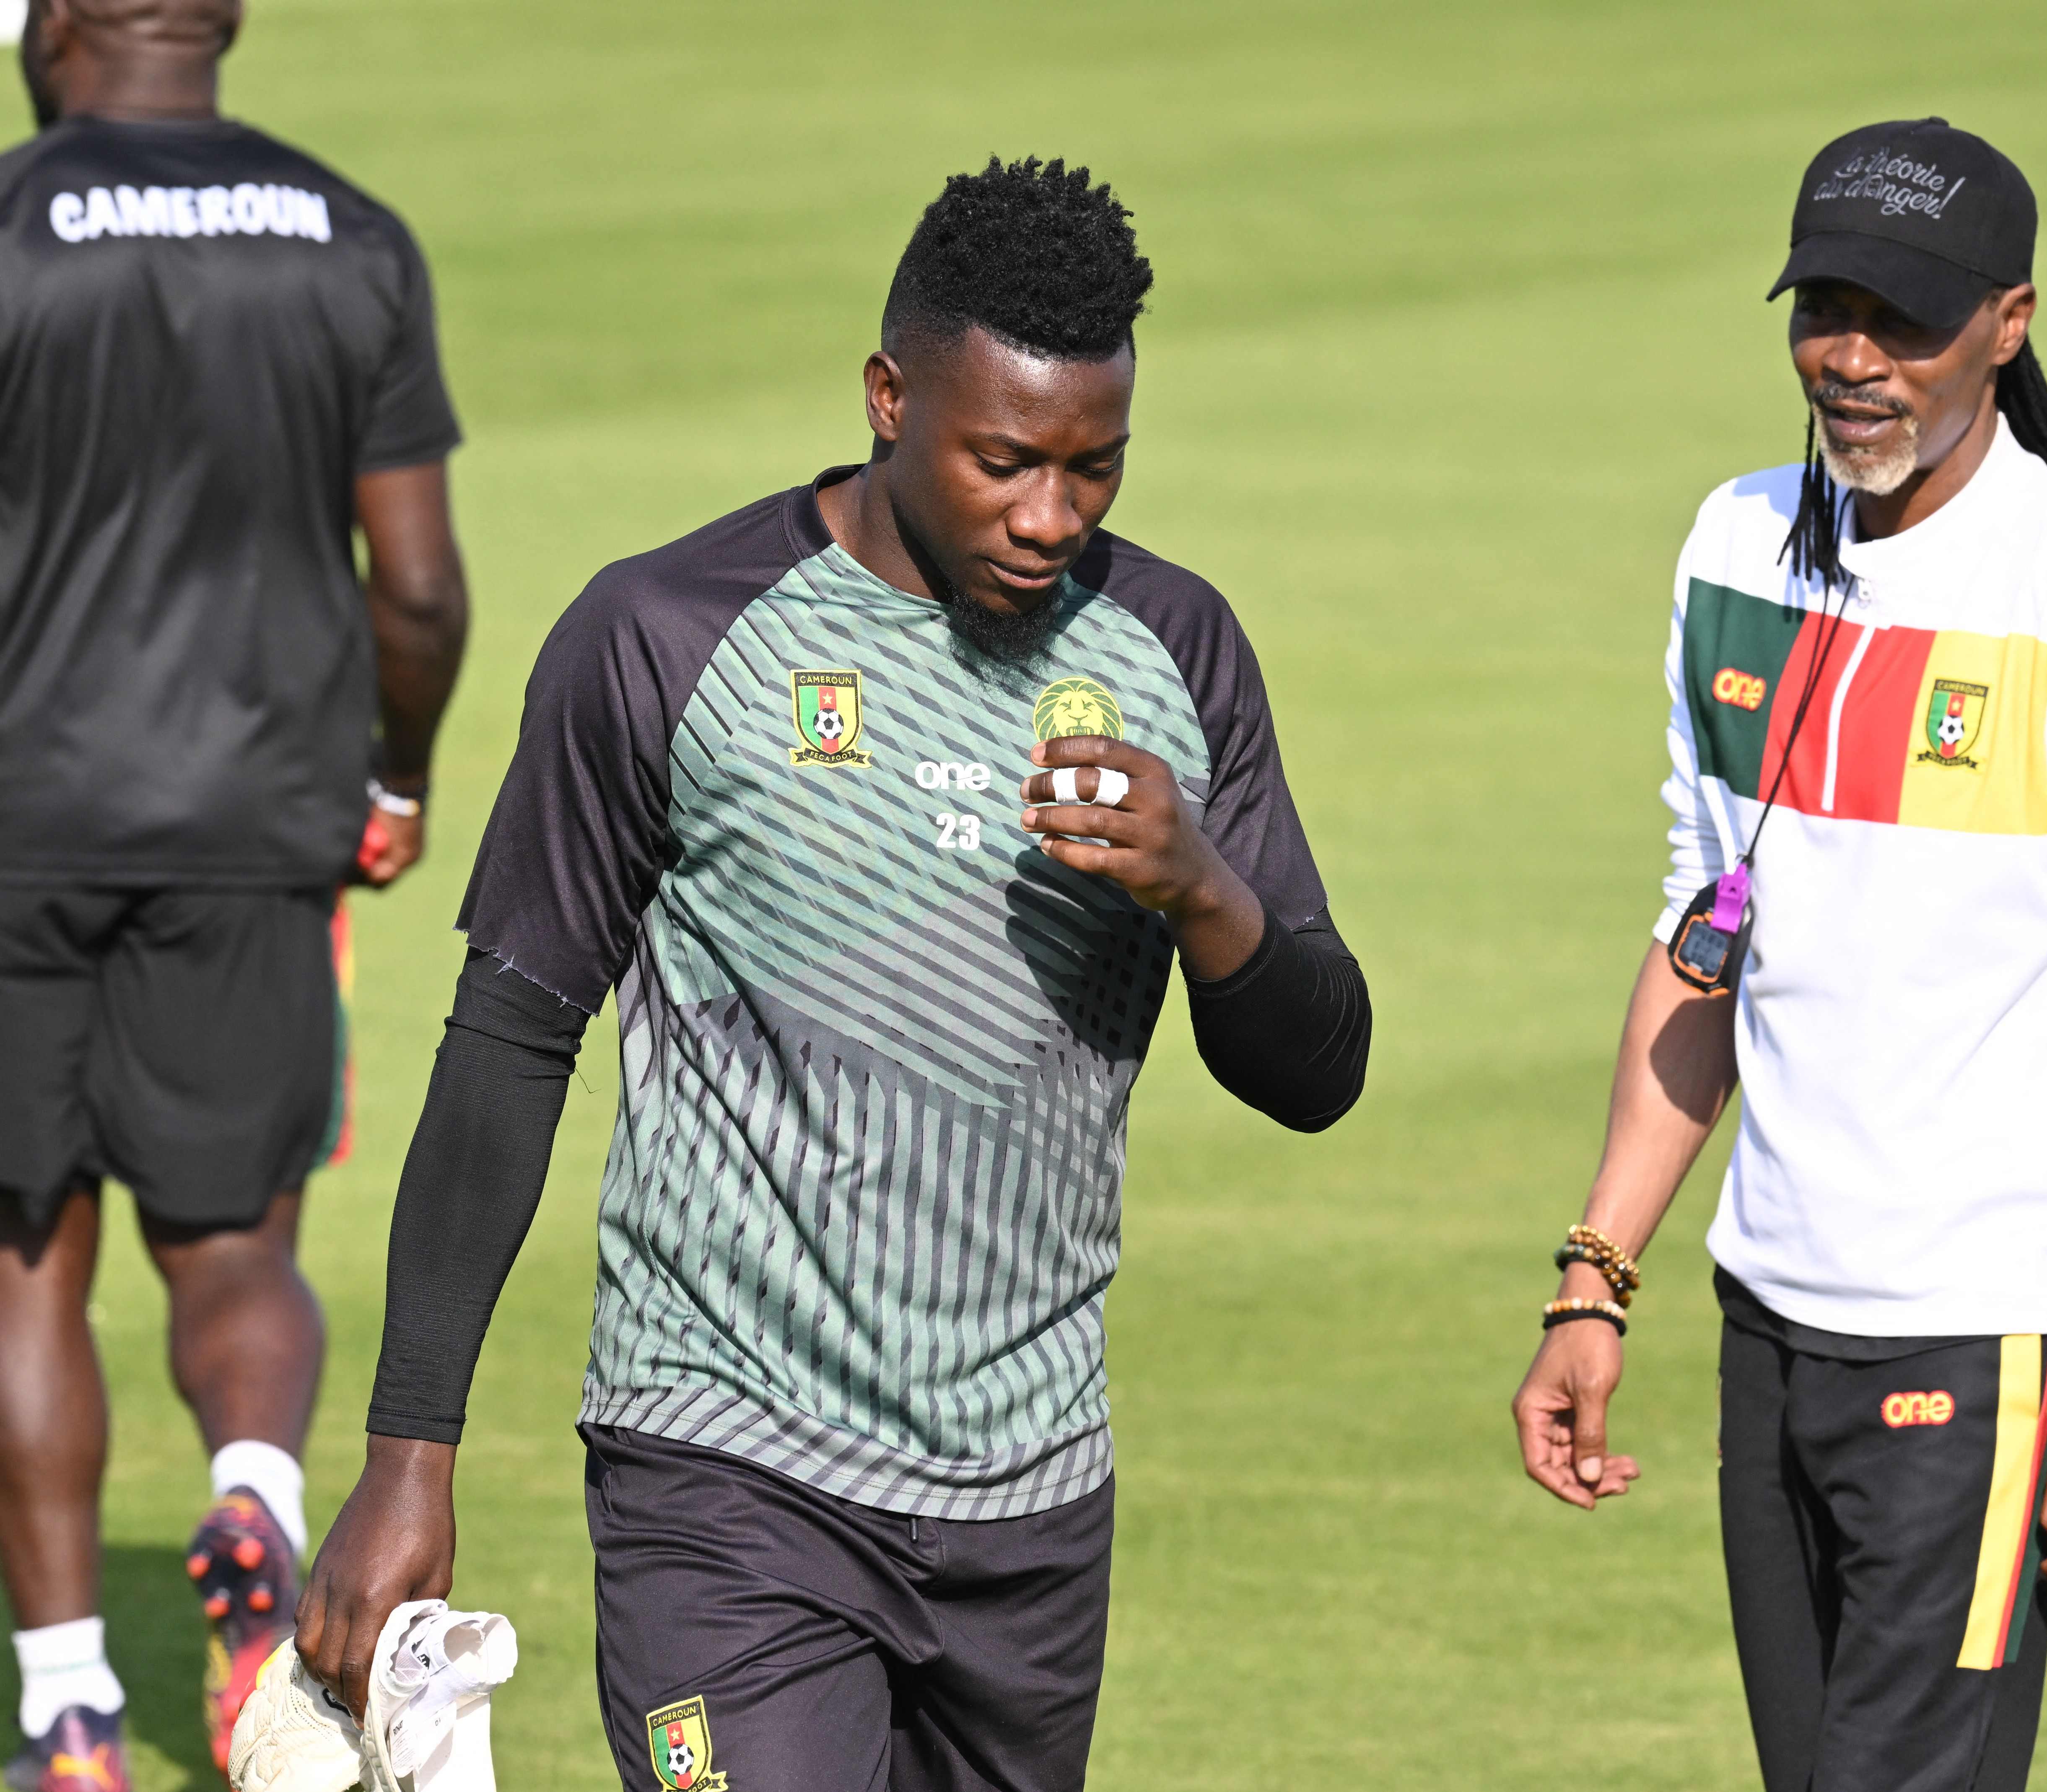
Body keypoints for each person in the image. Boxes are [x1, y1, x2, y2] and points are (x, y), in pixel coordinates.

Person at [294, 156, 1372, 1792]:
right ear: (888, 396)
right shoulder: (666, 637)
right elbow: (510, 1037)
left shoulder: (1172, 650)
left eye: (1096, 469)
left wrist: (1199, 886)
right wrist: (406, 1456)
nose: (1051, 515)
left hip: (1029, 1498)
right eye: (1005, 459)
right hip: (722, 1479)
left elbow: (1317, 1069)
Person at [1511, 118, 2047, 1791]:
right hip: (1766, 1327)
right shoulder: (1731, 546)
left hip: (1983, 1351)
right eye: (1823, 305)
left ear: (2009, 322)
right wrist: (1595, 1273)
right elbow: (1706, 925)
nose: (1852, 356)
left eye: (1902, 321)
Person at [0, 3, 467, 1787]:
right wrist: (395, 773)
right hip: (255, 823)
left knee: (25, 1266)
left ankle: (65, 1717)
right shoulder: (349, 235)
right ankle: (256, 1498)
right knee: (239, 1248)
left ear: (51, 28)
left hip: (19, 827)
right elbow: (415, 589)